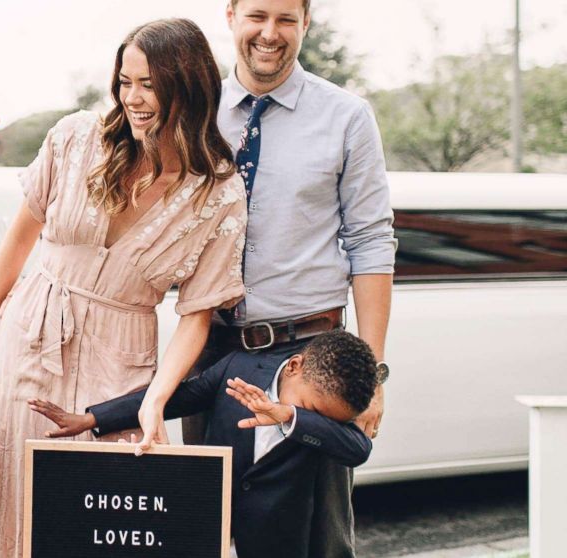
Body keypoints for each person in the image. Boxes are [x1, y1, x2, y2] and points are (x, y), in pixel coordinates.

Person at [0, 19, 247, 557]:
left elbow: (196, 314)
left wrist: (156, 399)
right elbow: (18, 245)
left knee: (105, 519)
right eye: (124, 82)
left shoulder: (218, 189)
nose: (132, 98)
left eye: (149, 85)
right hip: (31, 342)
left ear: (189, 84)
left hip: (122, 364)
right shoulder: (76, 138)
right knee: (17, 499)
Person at [183, 0, 396, 554]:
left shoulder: (347, 115)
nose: (269, 34)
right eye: (257, 16)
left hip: (309, 359)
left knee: (312, 542)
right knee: (198, 528)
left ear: (306, 22)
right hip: (209, 351)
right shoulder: (196, 112)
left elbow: (372, 242)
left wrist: (371, 377)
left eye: (286, 19)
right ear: (229, 15)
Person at [29, 329, 378, 558]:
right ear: (295, 367)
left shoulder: (324, 427)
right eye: (311, 409)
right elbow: (181, 397)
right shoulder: (239, 369)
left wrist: (291, 415)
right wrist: (93, 418)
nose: (318, 419)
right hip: (219, 528)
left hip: (283, 543)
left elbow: (358, 449)